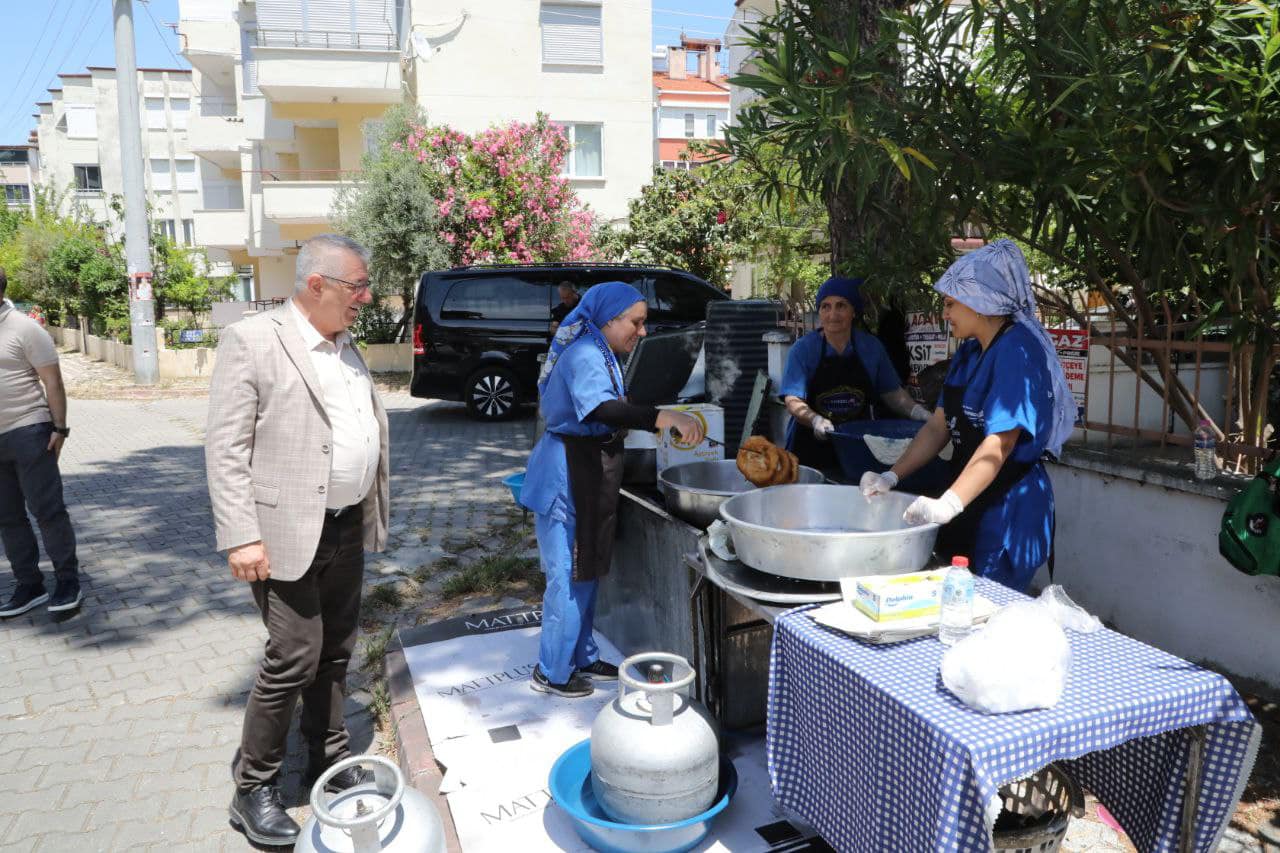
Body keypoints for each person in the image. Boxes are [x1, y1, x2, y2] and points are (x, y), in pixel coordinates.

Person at [205, 234, 390, 847]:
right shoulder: (253, 340)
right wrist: (240, 536)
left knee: (336, 649)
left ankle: (328, 763)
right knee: (294, 655)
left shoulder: (346, 345)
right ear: (318, 285)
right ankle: (252, 786)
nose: (366, 296)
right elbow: (226, 447)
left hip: (343, 524)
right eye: (357, 286)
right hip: (281, 533)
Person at [519, 282, 703, 698]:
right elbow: (599, 408)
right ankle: (551, 671)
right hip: (566, 473)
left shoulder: (601, 349)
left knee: (588, 568)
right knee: (566, 575)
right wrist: (660, 416)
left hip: (589, 468)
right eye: (635, 323)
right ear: (609, 319)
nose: (641, 332)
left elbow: (611, 402)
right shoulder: (585, 351)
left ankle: (581, 655)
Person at [861, 240, 1074, 592]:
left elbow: (1000, 442)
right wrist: (890, 477)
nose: (945, 314)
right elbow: (937, 427)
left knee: (989, 611)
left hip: (1009, 507)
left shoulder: (1018, 351)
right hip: (968, 493)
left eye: (950, 303)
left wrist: (949, 503)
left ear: (981, 299)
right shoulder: (970, 353)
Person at [780, 276, 930, 472]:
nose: (833, 314)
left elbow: (893, 393)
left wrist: (919, 412)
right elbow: (793, 400)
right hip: (809, 451)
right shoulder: (803, 350)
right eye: (826, 306)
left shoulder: (871, 348)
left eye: (841, 305)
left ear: (854, 312)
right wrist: (815, 420)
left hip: (856, 450)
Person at [0, 268, 81, 618]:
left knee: (47, 510)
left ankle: (67, 581)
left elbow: (53, 381)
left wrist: (59, 429)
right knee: (7, 517)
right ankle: (29, 584)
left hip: (29, 429)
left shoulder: (24, 328)